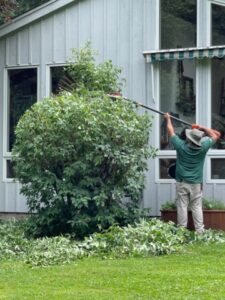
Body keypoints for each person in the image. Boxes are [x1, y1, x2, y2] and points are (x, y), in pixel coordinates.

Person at [164, 113, 221, 233]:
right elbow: (217, 135)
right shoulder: (203, 147)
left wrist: (168, 119)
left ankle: (181, 230)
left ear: (188, 138)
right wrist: (202, 128)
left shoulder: (181, 146)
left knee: (182, 206)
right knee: (196, 206)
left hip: (182, 182)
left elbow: (170, 132)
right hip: (196, 183)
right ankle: (200, 231)